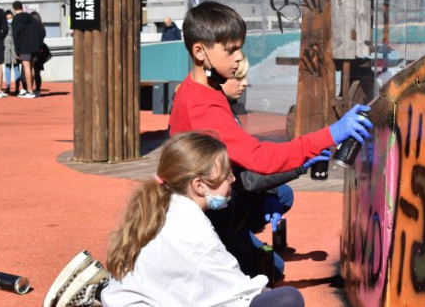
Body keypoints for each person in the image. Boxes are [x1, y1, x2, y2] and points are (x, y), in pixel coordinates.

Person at [99, 131, 305, 306]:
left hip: (130, 299)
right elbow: (237, 294)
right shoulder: (195, 232)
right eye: (226, 174)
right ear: (199, 186)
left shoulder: (161, 203)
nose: (232, 179)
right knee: (288, 298)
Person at [168, 0, 372, 176]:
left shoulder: (196, 88)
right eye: (231, 50)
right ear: (200, 52)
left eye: (239, 47)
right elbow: (258, 158)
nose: (239, 56)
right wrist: (330, 134)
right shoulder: (202, 106)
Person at [209, 54, 329, 281]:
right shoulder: (215, 113)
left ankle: (244, 232)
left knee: (282, 194)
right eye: (238, 77)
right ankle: (233, 243)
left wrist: (270, 194)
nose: (245, 83)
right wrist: (300, 165)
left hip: (233, 192)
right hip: (220, 204)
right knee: (273, 269)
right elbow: (248, 175)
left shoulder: (228, 108)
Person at [11, 0, 41, 98]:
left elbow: (15, 36)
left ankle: (29, 91)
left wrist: (17, 50)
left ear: (14, 8)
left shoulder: (15, 20)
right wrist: (39, 46)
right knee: (32, 67)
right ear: (22, 7)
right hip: (34, 46)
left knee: (26, 67)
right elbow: (38, 32)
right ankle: (32, 89)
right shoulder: (32, 19)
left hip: (24, 46)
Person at [2, 10, 22, 95]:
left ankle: (17, 87)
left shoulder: (17, 25)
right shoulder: (3, 26)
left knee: (16, 67)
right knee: (7, 67)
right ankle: (7, 86)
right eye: (7, 18)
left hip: (15, 49)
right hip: (6, 49)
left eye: (10, 18)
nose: (9, 20)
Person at [30, 11, 48, 97]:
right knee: (38, 72)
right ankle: (37, 89)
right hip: (41, 51)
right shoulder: (42, 27)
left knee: (31, 70)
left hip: (33, 51)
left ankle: (30, 89)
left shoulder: (32, 28)